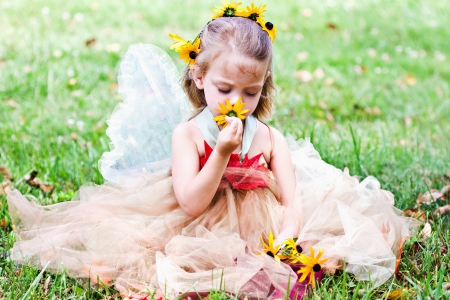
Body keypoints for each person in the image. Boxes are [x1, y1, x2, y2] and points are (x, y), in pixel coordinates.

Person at [6, 2, 418, 299]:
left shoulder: (270, 139)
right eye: (225, 89)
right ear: (199, 76)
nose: (236, 101)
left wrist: (286, 243)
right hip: (198, 222)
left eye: (251, 92)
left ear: (264, 86)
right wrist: (220, 154)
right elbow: (190, 203)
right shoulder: (188, 136)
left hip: (263, 223)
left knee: (322, 242)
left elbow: (291, 202)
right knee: (169, 260)